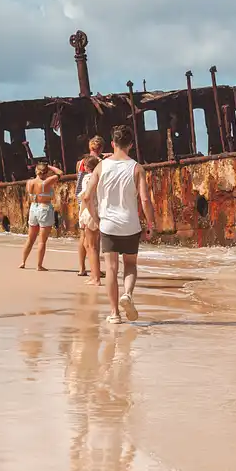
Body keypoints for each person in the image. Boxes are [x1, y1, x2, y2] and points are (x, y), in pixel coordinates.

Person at [83, 125, 156, 324]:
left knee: (112, 268)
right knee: (130, 265)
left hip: (108, 225)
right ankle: (128, 295)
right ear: (131, 145)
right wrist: (150, 223)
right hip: (130, 225)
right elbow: (145, 200)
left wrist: (96, 219)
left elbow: (87, 196)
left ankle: (114, 313)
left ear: (113, 144)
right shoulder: (137, 168)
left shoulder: (100, 166)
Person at [19, 161, 63, 270]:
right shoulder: (46, 182)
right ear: (46, 172)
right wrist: (51, 167)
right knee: (42, 241)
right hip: (44, 208)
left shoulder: (29, 182)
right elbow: (60, 173)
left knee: (30, 238)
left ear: (36, 171)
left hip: (33, 208)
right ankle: (39, 265)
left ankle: (23, 262)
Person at [75, 136, 108, 277]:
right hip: (94, 199)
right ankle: (96, 269)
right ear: (101, 148)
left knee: (83, 235)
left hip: (81, 198)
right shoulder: (101, 163)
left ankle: (81, 268)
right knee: (95, 239)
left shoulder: (80, 162)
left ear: (90, 147)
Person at [77, 154, 102, 285]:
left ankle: (95, 278)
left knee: (91, 246)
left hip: (90, 211)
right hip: (99, 209)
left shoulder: (88, 178)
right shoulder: (101, 177)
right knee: (91, 244)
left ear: (87, 167)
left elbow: (87, 197)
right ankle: (94, 274)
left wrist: (91, 216)